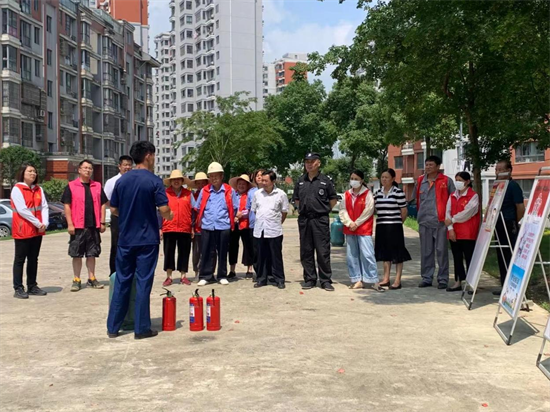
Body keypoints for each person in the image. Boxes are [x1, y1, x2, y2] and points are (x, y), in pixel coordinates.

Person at [107, 141, 173, 340]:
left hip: (125, 239)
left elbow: (114, 209)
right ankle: (141, 328)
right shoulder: (154, 181)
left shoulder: (122, 181)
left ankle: (113, 327)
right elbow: (164, 210)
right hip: (147, 240)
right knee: (143, 282)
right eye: (153, 155)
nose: (154, 159)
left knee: (122, 281)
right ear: (148, 156)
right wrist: (169, 215)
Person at [292, 152, 338, 291]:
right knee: (306, 250)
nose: (309, 164)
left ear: (318, 163)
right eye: (307, 161)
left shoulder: (325, 181)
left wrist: (323, 210)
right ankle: (310, 278)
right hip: (305, 219)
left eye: (312, 161)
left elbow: (333, 199)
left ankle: (325, 280)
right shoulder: (300, 181)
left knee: (322, 250)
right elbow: (296, 200)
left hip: (320, 220)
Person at [62, 159, 108, 292]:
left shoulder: (97, 186)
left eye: (90, 168)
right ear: (79, 170)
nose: (88, 170)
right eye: (85, 168)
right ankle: (76, 279)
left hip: (93, 226)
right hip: (78, 226)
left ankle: (92, 278)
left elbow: (103, 204)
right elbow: (67, 205)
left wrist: (102, 221)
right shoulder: (71, 186)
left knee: (92, 253)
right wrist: (70, 224)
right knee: (76, 254)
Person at [413, 155, 455, 289]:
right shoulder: (420, 181)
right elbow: (416, 199)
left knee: (441, 251)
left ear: (438, 167)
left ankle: (443, 279)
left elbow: (453, 200)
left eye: (431, 165)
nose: (428, 167)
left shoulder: (446, 181)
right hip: (424, 221)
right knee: (426, 252)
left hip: (440, 222)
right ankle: (426, 277)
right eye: (426, 165)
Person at [339, 170, 383, 292]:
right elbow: (342, 210)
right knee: (351, 255)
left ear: (362, 180)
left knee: (367, 254)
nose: (353, 180)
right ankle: (357, 279)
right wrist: (349, 223)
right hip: (350, 228)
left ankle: (373, 280)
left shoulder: (367, 194)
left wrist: (357, 223)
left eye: (356, 178)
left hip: (363, 228)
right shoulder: (347, 194)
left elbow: (368, 211)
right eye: (352, 178)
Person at [10, 164, 49, 299]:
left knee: (33, 258)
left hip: (37, 229)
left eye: (35, 171)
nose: (33, 173)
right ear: (23, 173)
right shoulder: (17, 189)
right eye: (30, 171)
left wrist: (45, 223)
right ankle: (18, 287)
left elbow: (44, 206)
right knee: (20, 259)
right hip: (23, 229)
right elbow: (22, 210)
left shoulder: (39, 189)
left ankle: (32, 285)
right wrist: (38, 223)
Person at [194, 162, 235, 286]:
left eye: (216, 176)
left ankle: (222, 275)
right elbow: (198, 207)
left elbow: (235, 207)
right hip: (207, 225)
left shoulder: (229, 190)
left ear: (222, 176)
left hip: (223, 225)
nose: (213, 179)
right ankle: (206, 276)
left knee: (222, 251)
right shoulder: (204, 191)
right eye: (211, 176)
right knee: (206, 251)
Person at [374, 168, 411, 290]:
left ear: (393, 179)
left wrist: (399, 223)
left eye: (386, 177)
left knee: (397, 252)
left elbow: (404, 211)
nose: (384, 179)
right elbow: (374, 209)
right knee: (385, 252)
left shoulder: (398, 192)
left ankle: (397, 280)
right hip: (381, 226)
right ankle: (386, 278)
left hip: (394, 226)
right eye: (382, 177)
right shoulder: (378, 193)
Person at [251, 170, 289, 289]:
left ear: (273, 181)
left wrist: (276, 222)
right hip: (260, 230)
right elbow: (255, 210)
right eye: (262, 180)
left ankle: (279, 279)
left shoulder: (281, 194)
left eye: (266, 180)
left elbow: (284, 212)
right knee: (261, 256)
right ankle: (261, 279)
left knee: (275, 256)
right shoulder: (257, 194)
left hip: (274, 230)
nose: (263, 183)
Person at [445, 171, 481, 292]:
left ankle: (471, 283)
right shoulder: (452, 195)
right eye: (456, 179)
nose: (457, 182)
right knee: (457, 257)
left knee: (470, 257)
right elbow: (447, 212)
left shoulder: (473, 196)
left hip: (468, 232)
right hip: (454, 231)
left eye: (460, 180)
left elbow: (468, 213)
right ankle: (458, 281)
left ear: (467, 182)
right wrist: (450, 228)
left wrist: (453, 220)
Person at [493, 159, 525, 295]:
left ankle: (513, 289)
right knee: (501, 254)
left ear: (509, 170)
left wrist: (514, 221)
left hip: (509, 223)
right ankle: (503, 285)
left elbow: (520, 207)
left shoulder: (513, 186)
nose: (498, 172)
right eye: (496, 169)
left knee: (510, 254)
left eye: (501, 169)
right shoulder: (498, 186)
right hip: (497, 223)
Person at [161, 170, 193, 286]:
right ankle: (169, 276)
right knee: (169, 252)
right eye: (174, 180)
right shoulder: (165, 193)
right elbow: (160, 211)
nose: (176, 181)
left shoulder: (188, 194)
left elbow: (193, 211)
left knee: (184, 252)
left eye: (178, 179)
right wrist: (160, 228)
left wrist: (192, 227)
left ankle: (183, 275)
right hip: (169, 227)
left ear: (182, 181)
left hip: (185, 227)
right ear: (170, 181)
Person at [104, 155, 133, 276]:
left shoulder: (134, 179)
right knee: (116, 244)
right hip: (117, 217)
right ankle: (114, 272)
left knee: (132, 245)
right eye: (125, 165)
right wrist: (117, 210)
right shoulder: (112, 181)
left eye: (129, 165)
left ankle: (130, 271)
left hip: (132, 218)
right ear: (119, 166)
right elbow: (106, 200)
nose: (127, 167)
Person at [190, 172, 216, 278]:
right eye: (198, 183)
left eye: (203, 183)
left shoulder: (212, 194)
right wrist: (191, 227)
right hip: (197, 228)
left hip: (209, 226)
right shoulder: (193, 196)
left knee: (211, 250)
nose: (200, 186)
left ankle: (210, 271)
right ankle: (197, 271)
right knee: (197, 251)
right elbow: (191, 213)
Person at [229, 174, 254, 279]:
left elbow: (250, 208)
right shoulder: (232, 194)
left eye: (244, 184)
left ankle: (249, 269)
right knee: (232, 247)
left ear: (247, 185)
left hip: (246, 224)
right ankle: (232, 270)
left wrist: (241, 214)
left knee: (248, 247)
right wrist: (234, 216)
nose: (241, 186)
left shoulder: (250, 195)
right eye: (239, 184)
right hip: (234, 224)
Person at [246, 169, 265, 281]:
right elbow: (247, 209)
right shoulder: (251, 192)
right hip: (254, 225)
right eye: (257, 175)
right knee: (256, 251)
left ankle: (268, 272)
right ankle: (258, 273)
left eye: (261, 175)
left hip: (267, 225)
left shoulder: (270, 190)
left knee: (266, 249)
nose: (259, 177)